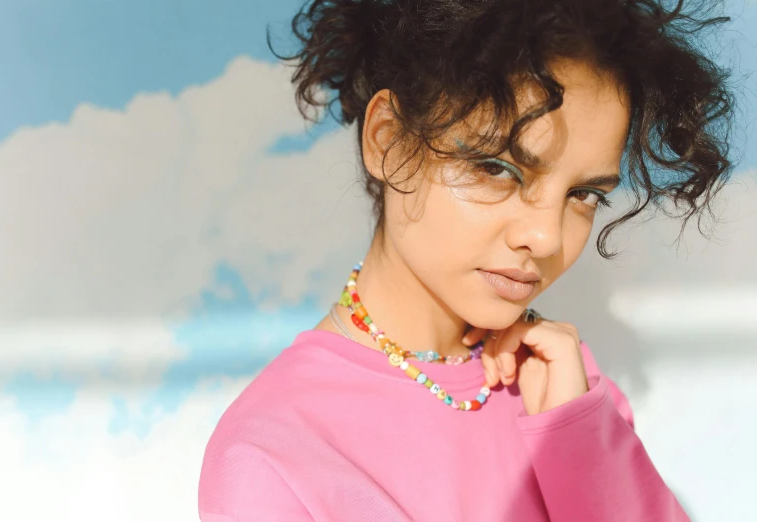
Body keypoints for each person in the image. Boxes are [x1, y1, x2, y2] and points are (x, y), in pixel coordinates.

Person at [198, 0, 735, 520]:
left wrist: (577, 437)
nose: (546, 237)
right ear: (388, 142)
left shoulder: (565, 388)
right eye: (500, 170)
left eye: (584, 195)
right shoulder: (272, 457)